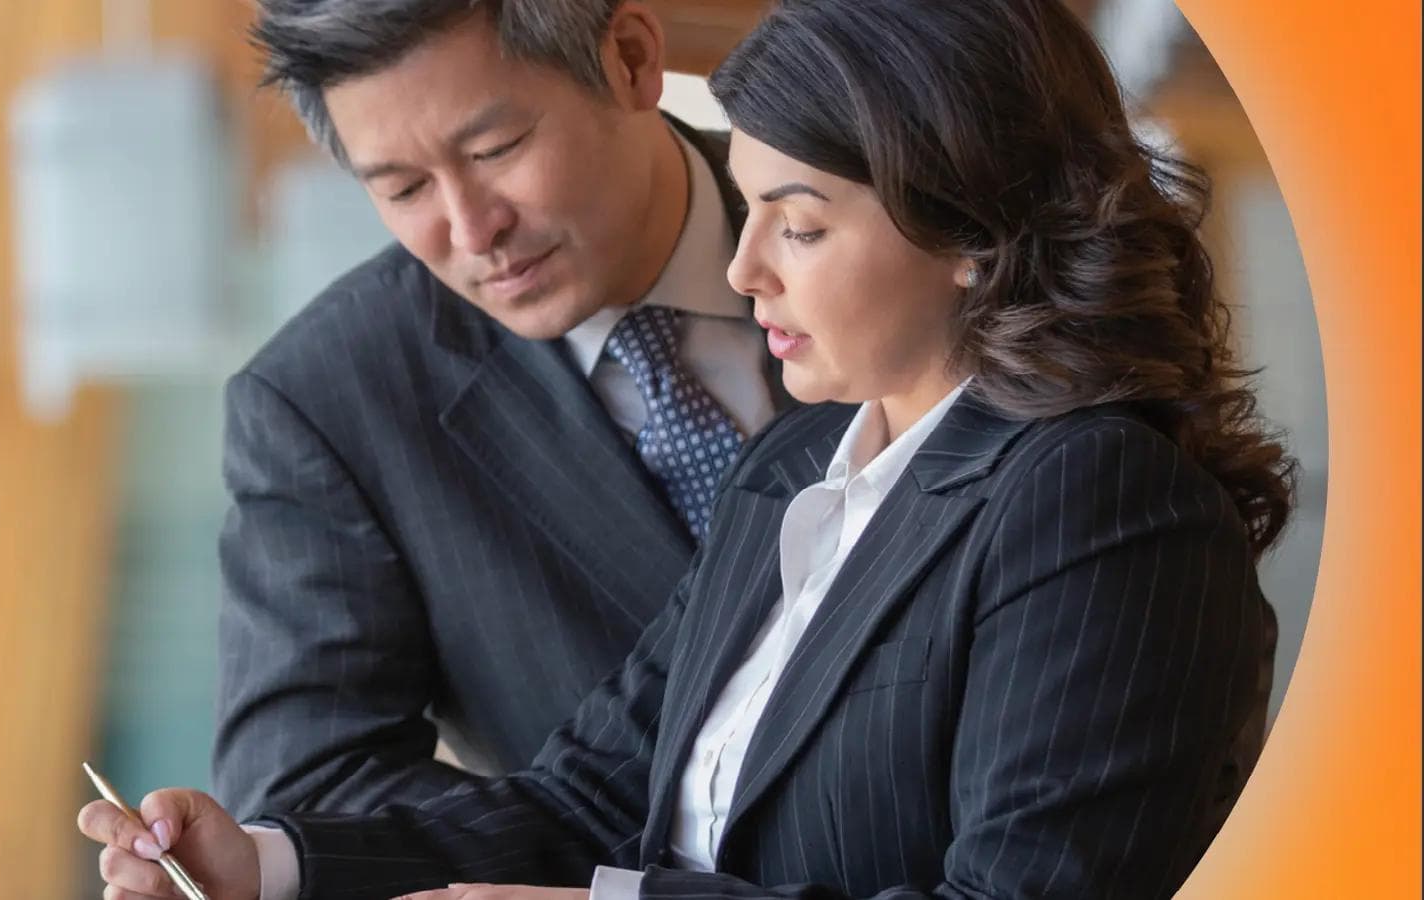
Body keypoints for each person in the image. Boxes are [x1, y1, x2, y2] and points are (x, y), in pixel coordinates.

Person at [85, 0, 1292, 897]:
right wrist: (267, 865)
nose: (742, 268)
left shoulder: (1099, 500)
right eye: (397, 185)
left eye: (801, 223)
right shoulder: (799, 469)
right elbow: (593, 794)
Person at [213, 0, 788, 822]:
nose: (473, 229)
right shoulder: (330, 404)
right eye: (405, 188)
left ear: (629, 58)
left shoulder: (890, 214)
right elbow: (312, 798)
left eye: (495, 150)